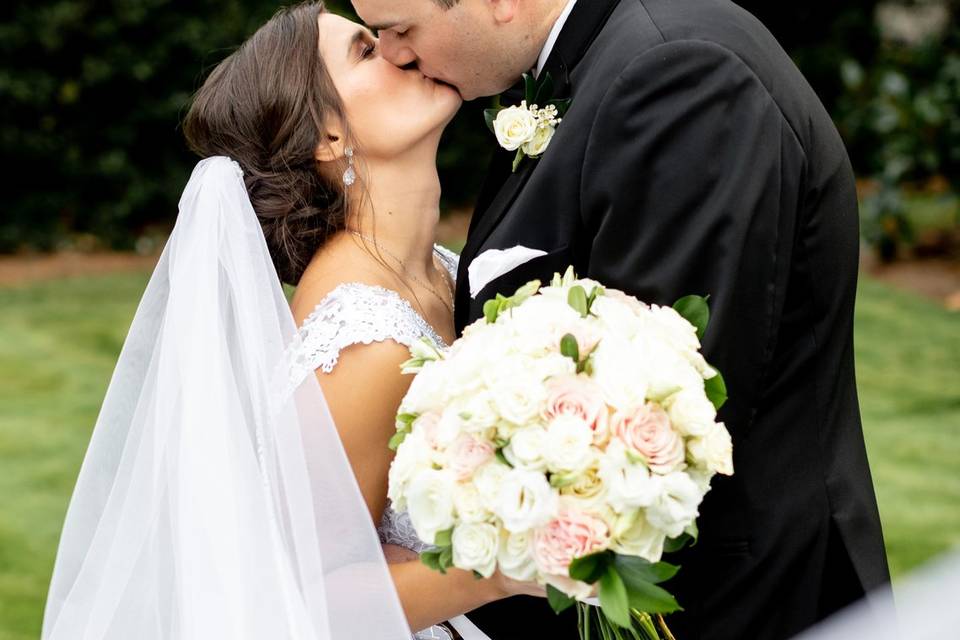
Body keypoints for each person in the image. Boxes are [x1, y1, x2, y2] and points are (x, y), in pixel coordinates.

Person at [349, 0, 891, 638]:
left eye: (400, 29)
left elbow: (663, 399)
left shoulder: (680, 78)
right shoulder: (601, 64)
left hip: (739, 604)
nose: (393, 53)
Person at [42, 4, 539, 639]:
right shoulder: (363, 338)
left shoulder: (442, 269)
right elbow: (308, 595)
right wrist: (512, 562)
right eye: (367, 49)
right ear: (326, 137)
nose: (399, 48)